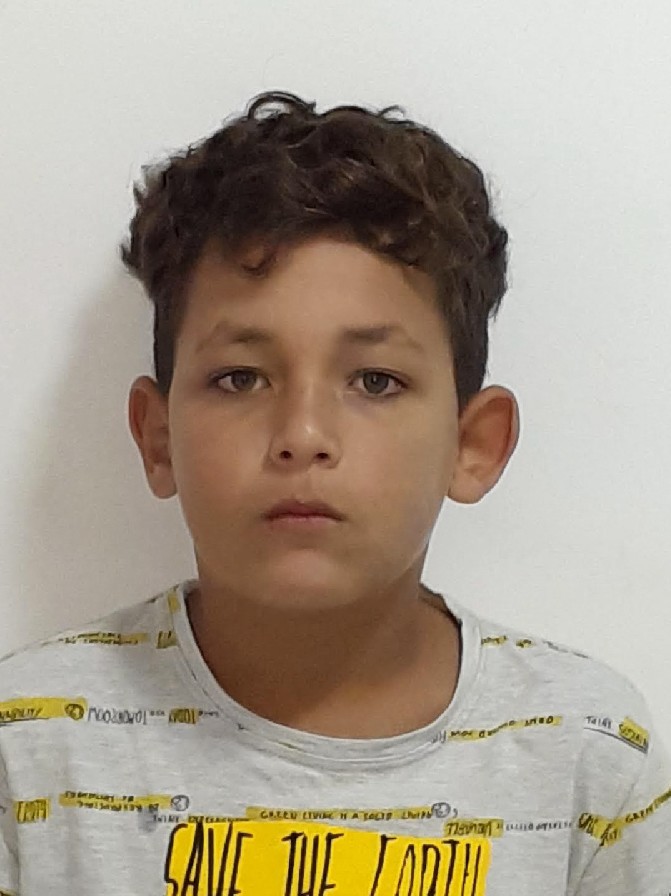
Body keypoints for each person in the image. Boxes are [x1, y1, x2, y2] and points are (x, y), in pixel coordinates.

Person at [0, 90, 668, 895]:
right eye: (239, 378)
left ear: (472, 445)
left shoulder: (586, 753)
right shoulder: (31, 746)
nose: (302, 433)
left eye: (375, 381)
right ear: (157, 437)